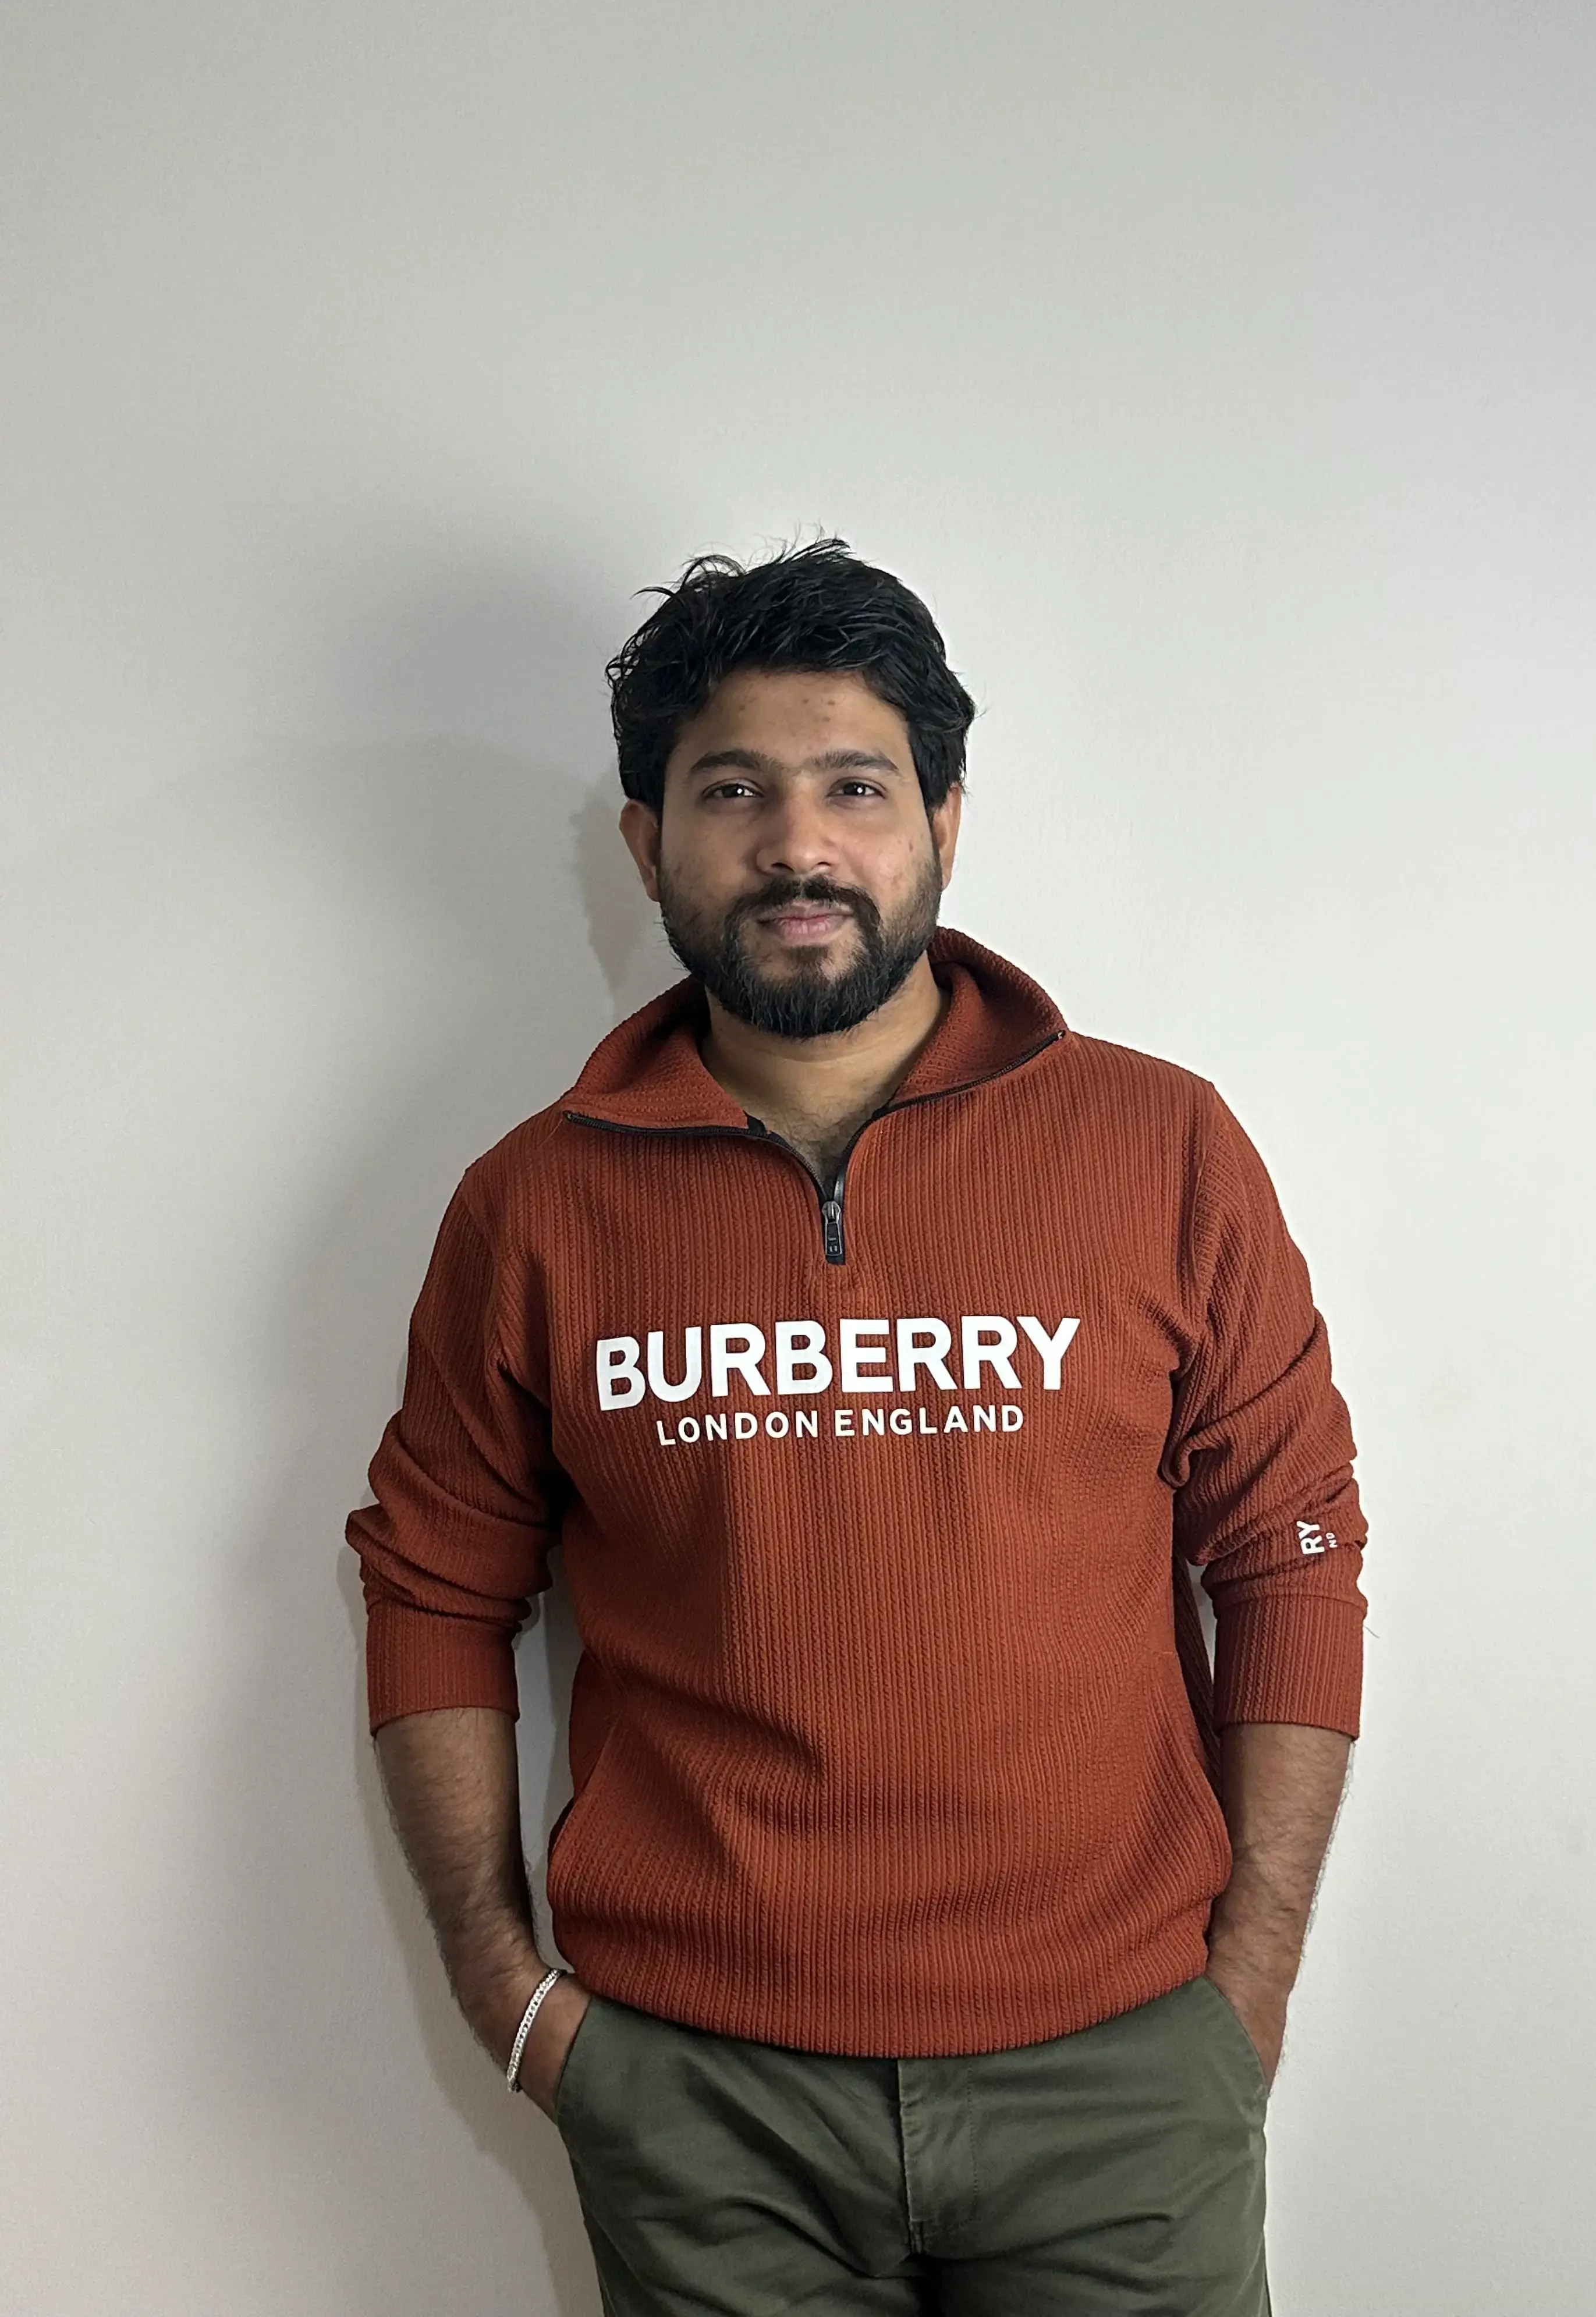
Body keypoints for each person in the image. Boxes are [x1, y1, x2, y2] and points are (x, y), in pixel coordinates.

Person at [346, 538, 1368, 2315]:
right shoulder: (533, 1208)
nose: (799, 846)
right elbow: (432, 1587)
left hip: (1119, 2075)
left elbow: (1291, 1551)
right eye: (732, 791)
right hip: (705, 2100)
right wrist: (507, 1993)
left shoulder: (1161, 1148)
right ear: (648, 842)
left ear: (945, 822)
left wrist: (1252, 1976)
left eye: (856, 788)